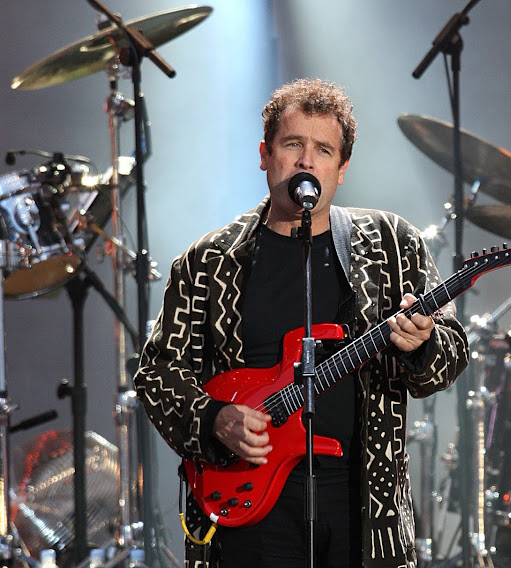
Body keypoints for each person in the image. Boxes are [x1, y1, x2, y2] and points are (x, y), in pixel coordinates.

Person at [134, 78, 469, 568]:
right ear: (265, 155)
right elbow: (157, 373)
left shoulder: (395, 245)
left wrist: (421, 344)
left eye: (324, 150)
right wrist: (213, 420)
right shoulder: (208, 261)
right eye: (293, 144)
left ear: (342, 167)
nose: (307, 161)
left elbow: (451, 355)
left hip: (364, 508)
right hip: (249, 504)